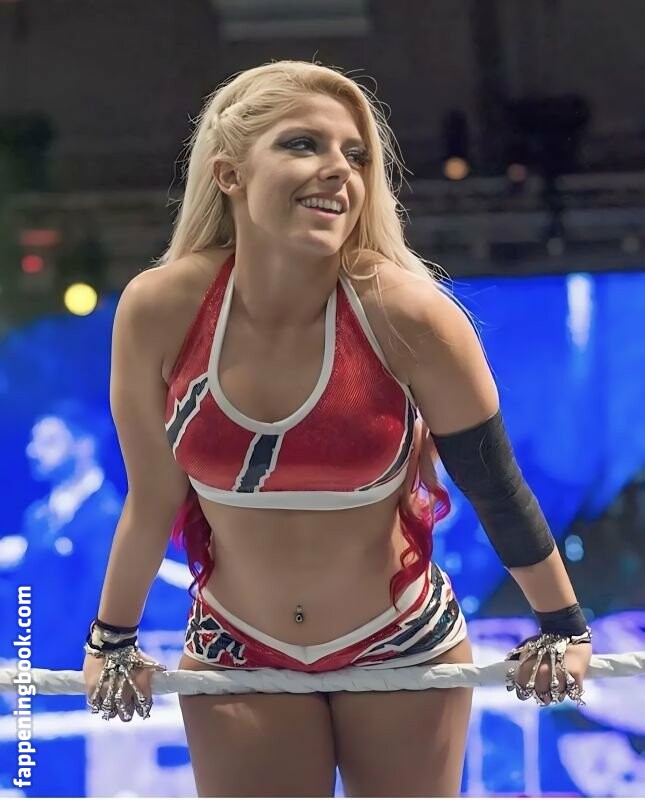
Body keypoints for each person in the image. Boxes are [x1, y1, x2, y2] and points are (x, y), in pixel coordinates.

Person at [82, 60, 592, 797]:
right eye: (303, 144)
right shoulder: (159, 308)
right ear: (229, 173)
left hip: (401, 641)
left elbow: (494, 486)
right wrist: (112, 639)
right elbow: (152, 499)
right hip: (235, 646)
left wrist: (564, 625)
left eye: (355, 155)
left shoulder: (409, 313)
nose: (338, 171)